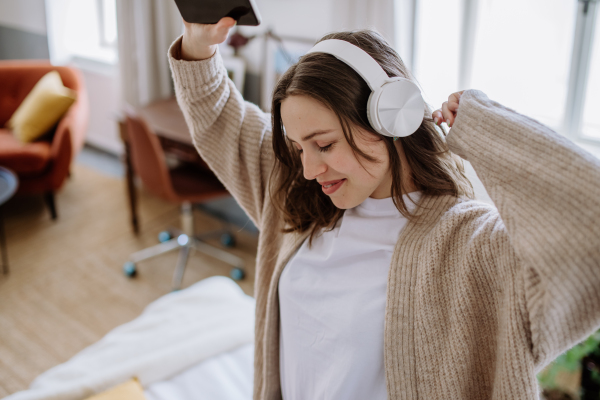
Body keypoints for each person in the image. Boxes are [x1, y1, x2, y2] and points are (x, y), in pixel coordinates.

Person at [167, 16, 600, 400]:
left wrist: (484, 125)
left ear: (391, 118)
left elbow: (592, 231)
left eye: (324, 144)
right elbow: (219, 114)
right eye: (299, 148)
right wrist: (199, 43)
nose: (311, 168)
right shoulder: (297, 196)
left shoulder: (472, 249)